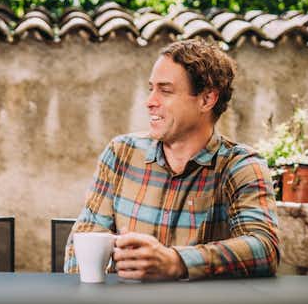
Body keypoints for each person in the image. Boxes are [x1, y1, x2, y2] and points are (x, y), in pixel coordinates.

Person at [64, 40, 279, 280]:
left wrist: (176, 262)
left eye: (165, 91)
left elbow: (264, 248)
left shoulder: (241, 166)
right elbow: (84, 237)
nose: (150, 101)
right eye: (151, 88)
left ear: (207, 99)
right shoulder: (121, 154)